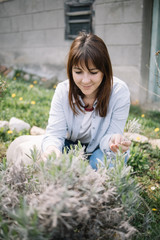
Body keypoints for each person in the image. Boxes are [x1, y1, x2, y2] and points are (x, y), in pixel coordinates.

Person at [41, 32, 131, 170]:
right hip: (70, 145)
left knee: (101, 165)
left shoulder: (119, 92)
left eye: (93, 72)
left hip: (103, 149)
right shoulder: (62, 91)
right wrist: (52, 149)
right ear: (70, 70)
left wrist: (114, 141)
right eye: (78, 72)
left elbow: (111, 134)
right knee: (53, 162)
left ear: (105, 71)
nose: (85, 80)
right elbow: (54, 133)